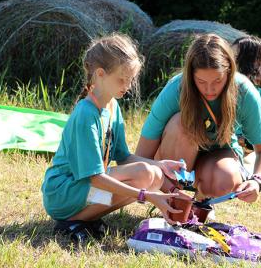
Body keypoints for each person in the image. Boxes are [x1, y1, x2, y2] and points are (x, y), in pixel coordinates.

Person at [41, 33, 187, 242]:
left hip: (82, 188)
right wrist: (144, 195)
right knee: (145, 175)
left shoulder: (112, 106)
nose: (127, 86)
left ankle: (87, 217)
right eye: (122, 79)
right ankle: (70, 221)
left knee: (153, 174)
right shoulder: (85, 114)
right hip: (63, 193)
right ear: (100, 74)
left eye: (130, 80)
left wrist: (160, 164)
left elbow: (123, 156)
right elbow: (95, 177)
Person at [135, 33, 261, 205]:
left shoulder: (244, 91)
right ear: (190, 76)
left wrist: (257, 181)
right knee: (181, 123)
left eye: (218, 80)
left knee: (225, 179)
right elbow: (142, 155)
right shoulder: (176, 89)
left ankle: (202, 200)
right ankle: (175, 199)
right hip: (175, 153)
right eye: (201, 81)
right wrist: (145, 186)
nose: (210, 89)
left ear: (229, 72)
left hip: (217, 154)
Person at [232, 36, 261, 163]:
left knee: (248, 160)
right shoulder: (223, 90)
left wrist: (243, 144)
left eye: (234, 57)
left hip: (248, 151)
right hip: (224, 145)